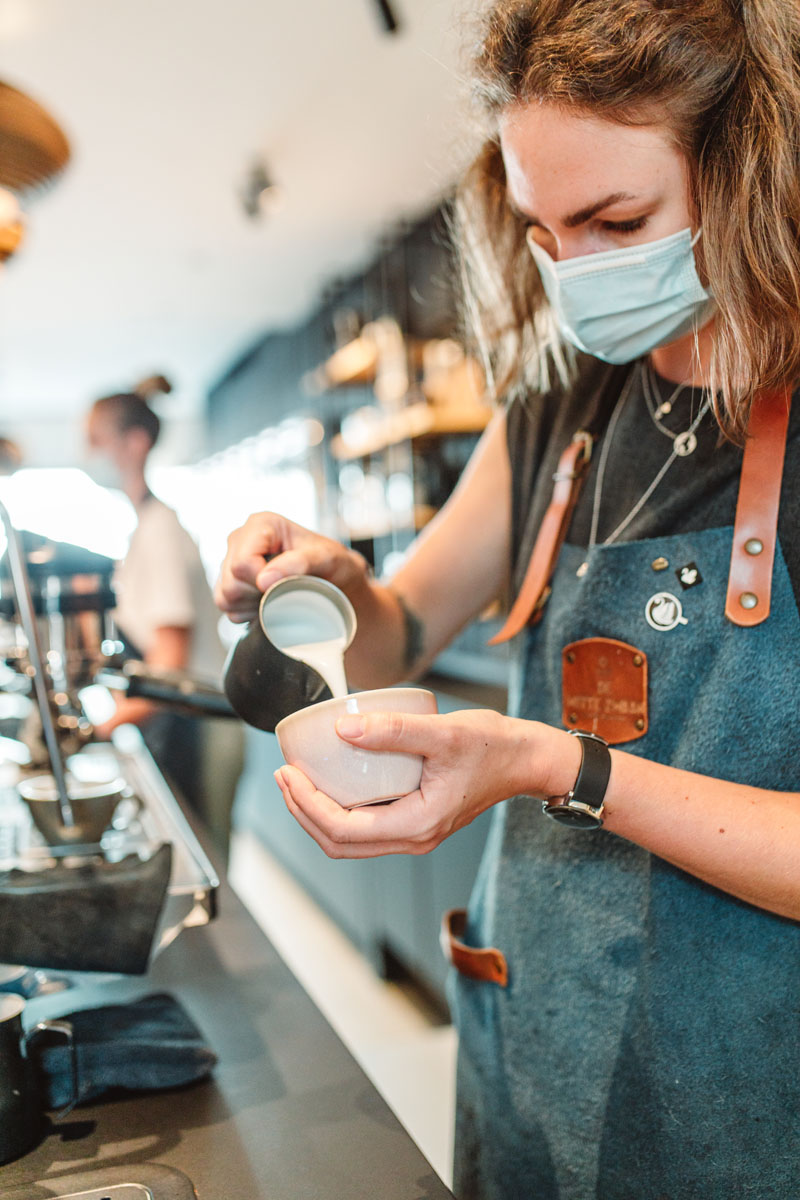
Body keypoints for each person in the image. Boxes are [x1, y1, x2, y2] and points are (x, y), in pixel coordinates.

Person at [215, 1, 800, 1195]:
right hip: (532, 1043)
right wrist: (335, 585)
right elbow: (401, 625)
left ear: (752, 171)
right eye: (541, 232)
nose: (575, 274)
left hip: (742, 1095)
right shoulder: (557, 415)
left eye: (615, 222)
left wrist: (559, 767)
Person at [86, 375, 241, 858]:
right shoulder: (144, 529)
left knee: (203, 861)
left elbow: (168, 665)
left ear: (134, 443)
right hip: (187, 721)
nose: (89, 454)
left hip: (201, 724)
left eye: (96, 441)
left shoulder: (160, 532)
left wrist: (97, 730)